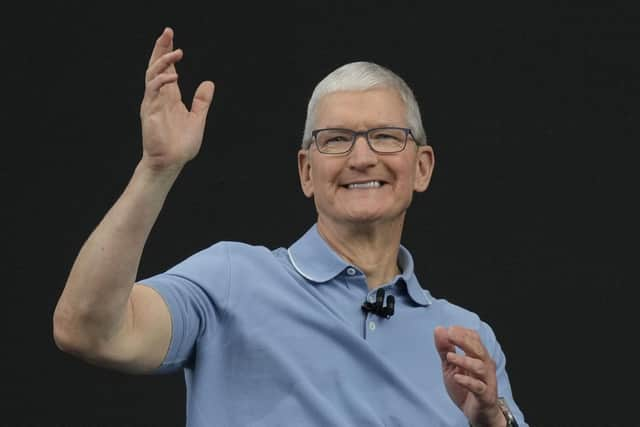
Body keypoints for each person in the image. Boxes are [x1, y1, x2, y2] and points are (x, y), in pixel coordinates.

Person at [53, 27, 528, 427]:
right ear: (306, 171)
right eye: (337, 140)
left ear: (421, 167)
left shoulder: (467, 338)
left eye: (385, 137)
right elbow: (87, 329)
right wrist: (157, 169)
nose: (362, 158)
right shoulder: (231, 279)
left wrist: (493, 422)